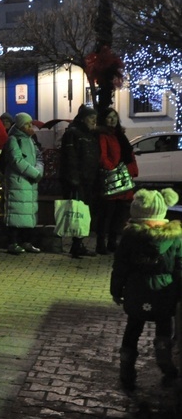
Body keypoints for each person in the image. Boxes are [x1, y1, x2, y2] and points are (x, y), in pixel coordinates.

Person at [111, 188, 182, 390]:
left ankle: (126, 366)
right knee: (164, 327)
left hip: (136, 290)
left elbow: (120, 267)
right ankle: (165, 362)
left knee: (133, 327)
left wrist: (116, 290)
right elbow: (179, 266)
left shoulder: (129, 238)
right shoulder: (175, 238)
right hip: (165, 291)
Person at [59, 104, 100, 258]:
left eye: (95, 119)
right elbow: (70, 157)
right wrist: (73, 178)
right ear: (83, 118)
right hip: (78, 181)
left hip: (89, 179)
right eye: (91, 118)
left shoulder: (89, 134)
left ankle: (79, 243)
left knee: (84, 213)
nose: (93, 121)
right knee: (78, 212)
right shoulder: (73, 133)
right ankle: (76, 245)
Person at [1, 113, 44, 255]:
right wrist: (34, 173)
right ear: (20, 126)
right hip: (18, 182)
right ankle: (12, 242)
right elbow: (16, 160)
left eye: (30, 124)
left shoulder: (31, 140)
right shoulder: (13, 140)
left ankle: (27, 241)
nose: (30, 126)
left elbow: (39, 157)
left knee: (28, 212)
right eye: (27, 124)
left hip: (30, 183)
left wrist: (38, 171)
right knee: (16, 212)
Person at [95, 108, 137, 254]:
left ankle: (112, 242)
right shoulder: (103, 135)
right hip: (111, 178)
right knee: (106, 214)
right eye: (109, 117)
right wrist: (111, 168)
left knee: (118, 215)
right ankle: (101, 243)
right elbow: (103, 155)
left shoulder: (120, 135)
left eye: (114, 117)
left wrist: (132, 170)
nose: (112, 120)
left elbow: (129, 154)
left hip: (123, 180)